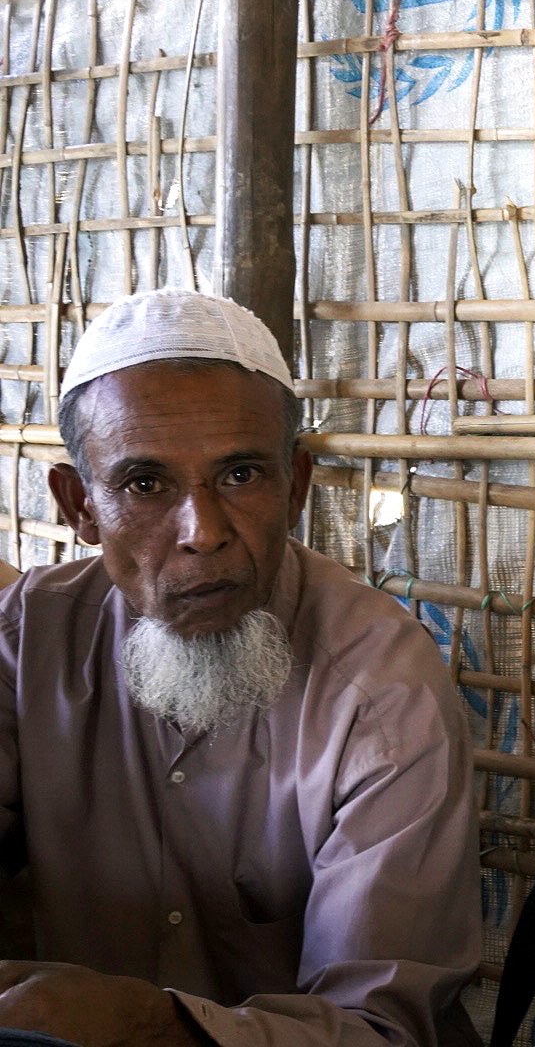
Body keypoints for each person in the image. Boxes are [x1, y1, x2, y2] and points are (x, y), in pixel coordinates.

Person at [0, 289, 481, 1045]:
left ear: (296, 487)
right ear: (79, 506)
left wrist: (147, 1026)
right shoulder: (28, 638)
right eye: (145, 484)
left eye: (240, 476)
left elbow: (385, 1031)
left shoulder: (382, 689)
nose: (203, 533)